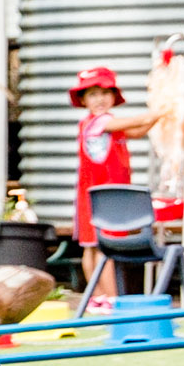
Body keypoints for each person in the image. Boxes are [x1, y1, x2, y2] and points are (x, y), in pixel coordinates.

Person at [68, 66, 160, 304]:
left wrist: (156, 118)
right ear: (83, 99)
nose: (99, 99)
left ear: (113, 96)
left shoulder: (110, 125)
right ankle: (107, 297)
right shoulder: (98, 123)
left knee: (95, 247)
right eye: (92, 94)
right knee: (100, 248)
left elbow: (138, 130)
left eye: (104, 93)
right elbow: (139, 120)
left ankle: (100, 297)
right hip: (97, 195)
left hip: (108, 195)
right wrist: (161, 110)